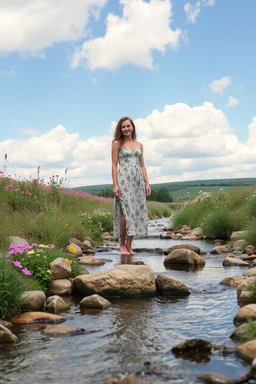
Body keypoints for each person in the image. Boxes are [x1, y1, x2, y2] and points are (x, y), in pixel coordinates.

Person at [112, 116, 151, 255]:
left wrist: (147, 182)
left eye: (128, 126)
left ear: (132, 127)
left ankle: (129, 245)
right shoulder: (117, 143)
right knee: (125, 212)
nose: (126, 129)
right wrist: (115, 184)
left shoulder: (139, 145)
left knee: (134, 212)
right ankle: (122, 244)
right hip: (124, 180)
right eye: (123, 127)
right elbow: (114, 164)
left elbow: (142, 165)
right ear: (120, 129)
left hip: (138, 182)